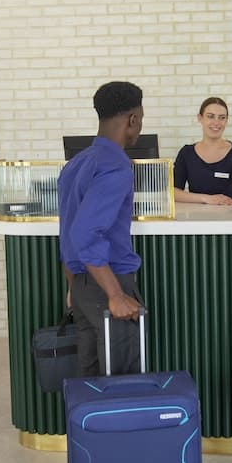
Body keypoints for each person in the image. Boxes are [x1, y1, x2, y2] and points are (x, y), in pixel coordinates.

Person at [57, 81, 145, 377]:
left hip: (82, 287)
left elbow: (68, 232)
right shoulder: (116, 166)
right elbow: (84, 233)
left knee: (92, 379)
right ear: (133, 119)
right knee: (120, 379)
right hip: (108, 282)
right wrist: (116, 294)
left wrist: (73, 287)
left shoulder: (76, 163)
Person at [173, 97, 232, 205]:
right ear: (200, 118)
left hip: (231, 213)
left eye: (222, 118)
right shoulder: (186, 153)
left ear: (226, 120)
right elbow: (174, 192)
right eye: (210, 116)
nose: (216, 122)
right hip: (197, 214)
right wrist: (206, 198)